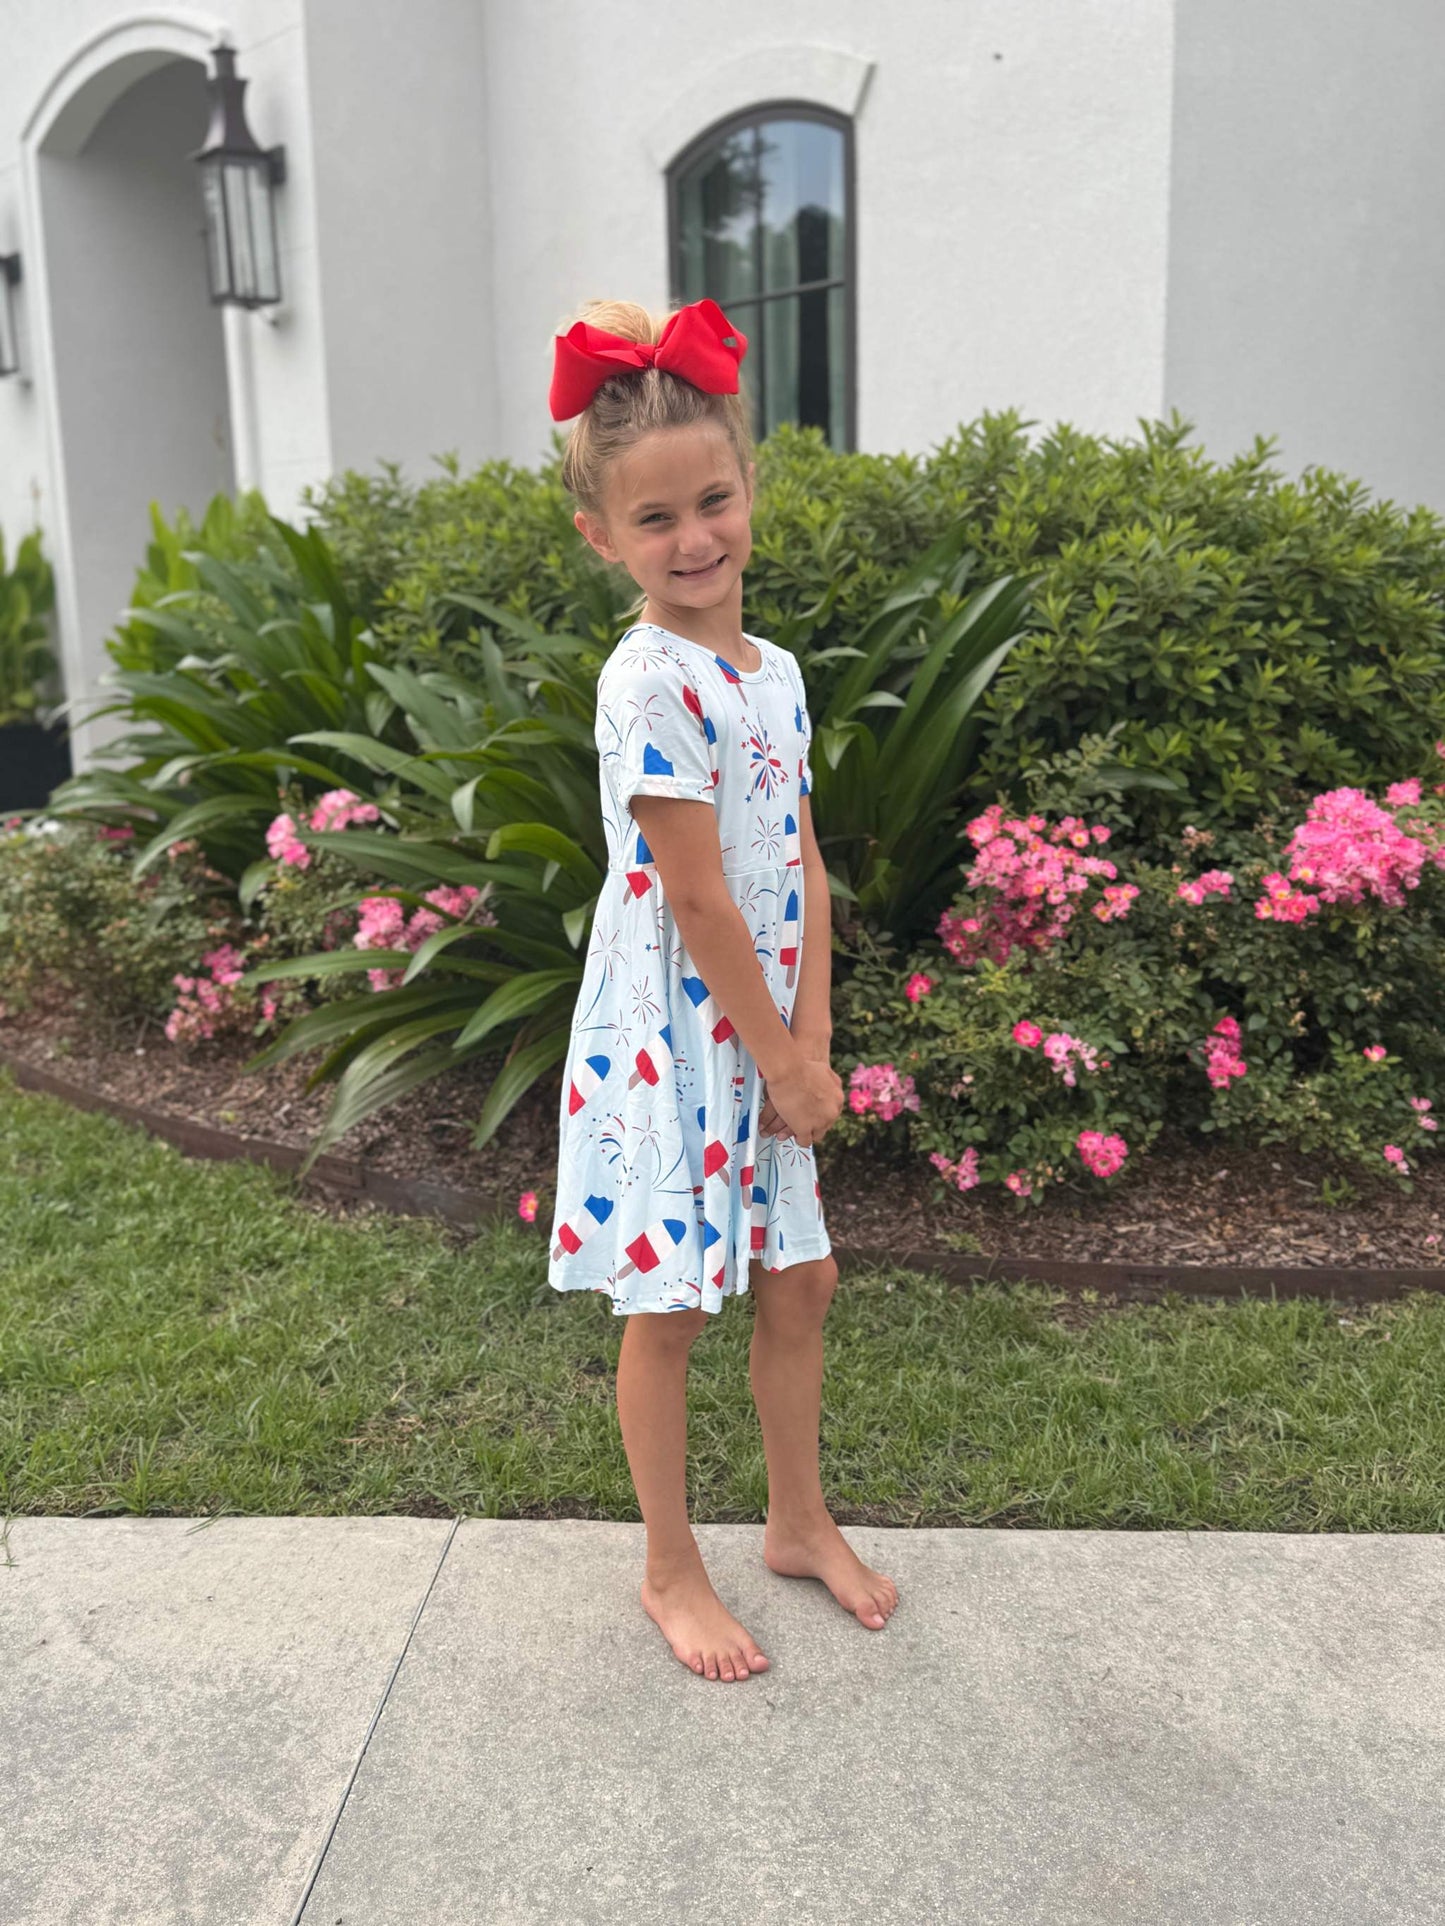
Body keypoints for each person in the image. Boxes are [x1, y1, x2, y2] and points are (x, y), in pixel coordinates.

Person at [545, 295, 899, 1683]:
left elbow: (799, 858)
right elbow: (693, 898)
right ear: (599, 537)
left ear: (750, 489)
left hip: (766, 1030)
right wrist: (772, 1052)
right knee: (674, 1306)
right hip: (679, 1040)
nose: (693, 538)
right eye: (653, 520)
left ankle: (798, 1522)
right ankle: (667, 1563)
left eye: (713, 500)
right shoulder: (647, 683)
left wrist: (811, 1042)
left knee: (800, 1281)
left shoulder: (778, 673)